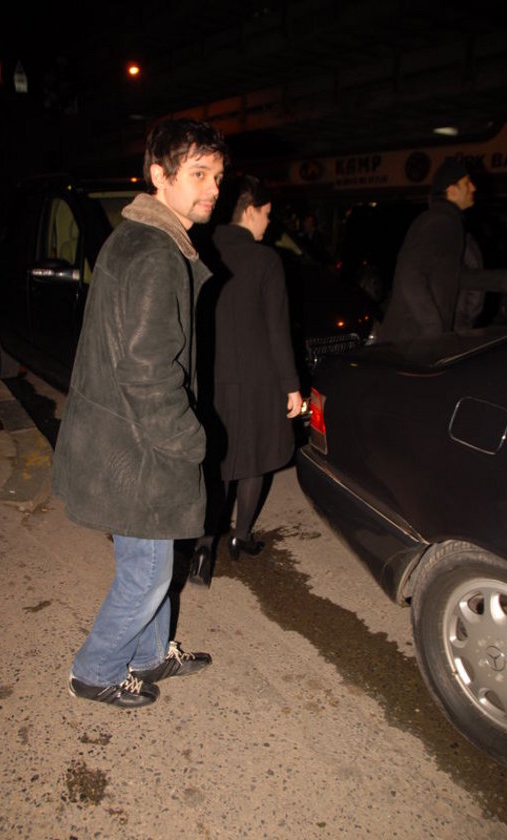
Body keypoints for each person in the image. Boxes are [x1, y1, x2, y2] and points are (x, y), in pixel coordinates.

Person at [51, 119, 228, 708]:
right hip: (138, 446)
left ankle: (150, 655)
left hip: (120, 435)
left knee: (154, 560)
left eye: (217, 176)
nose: (213, 188)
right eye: (198, 174)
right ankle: (95, 670)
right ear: (160, 174)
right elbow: (148, 371)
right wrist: (190, 441)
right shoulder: (155, 253)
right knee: (147, 572)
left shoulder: (135, 236)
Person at [189, 176, 302, 583]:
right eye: (267, 214)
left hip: (212, 376)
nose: (269, 223)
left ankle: (203, 548)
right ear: (250, 211)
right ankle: (241, 537)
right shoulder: (264, 260)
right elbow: (277, 330)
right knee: (254, 458)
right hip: (258, 380)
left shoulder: (201, 250)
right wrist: (292, 386)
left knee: (218, 462)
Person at [377, 159, 507, 343]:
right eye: (467, 183)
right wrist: (433, 327)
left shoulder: (449, 221)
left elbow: (457, 276)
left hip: (415, 341)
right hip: (409, 343)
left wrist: (505, 281)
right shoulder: (440, 221)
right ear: (452, 190)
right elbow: (409, 273)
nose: (473, 188)